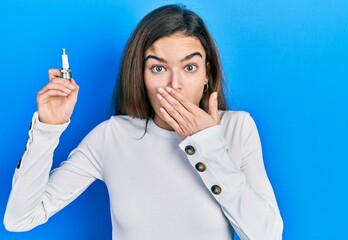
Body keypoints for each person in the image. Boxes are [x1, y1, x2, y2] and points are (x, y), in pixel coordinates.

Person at [4, 4, 283, 240]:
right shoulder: (112, 136)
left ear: (206, 74)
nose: (175, 85)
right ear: (141, 75)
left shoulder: (238, 129)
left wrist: (208, 146)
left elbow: (268, 235)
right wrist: (47, 128)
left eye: (189, 67)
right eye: (158, 68)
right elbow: (19, 219)